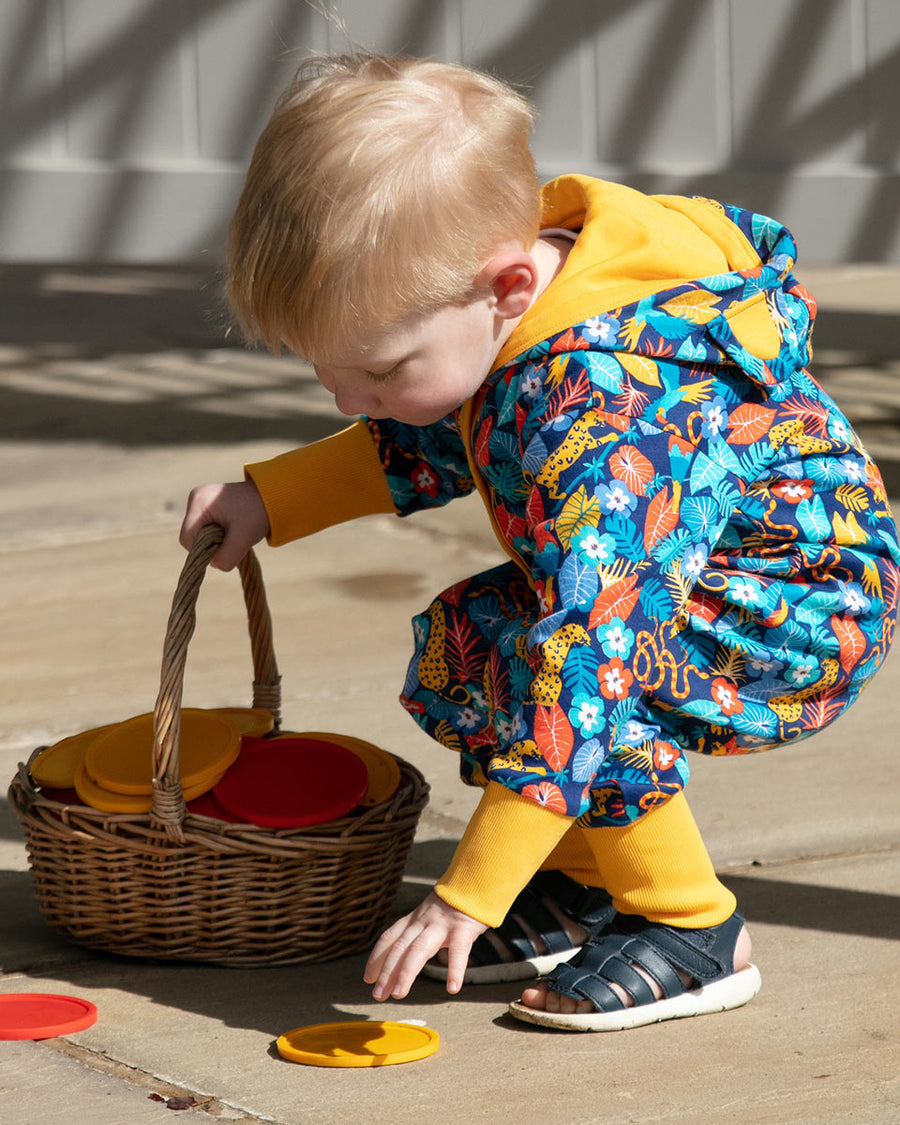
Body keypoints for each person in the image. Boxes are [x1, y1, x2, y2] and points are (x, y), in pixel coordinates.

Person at [180, 53, 900, 1032]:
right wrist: (275, 496)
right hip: (679, 584)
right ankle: (579, 886)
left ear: (508, 286)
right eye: (325, 373)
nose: (351, 399)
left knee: (571, 675)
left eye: (378, 371)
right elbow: (433, 436)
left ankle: (690, 928)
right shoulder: (510, 309)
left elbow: (595, 650)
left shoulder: (608, 415)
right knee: (480, 636)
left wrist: (466, 890)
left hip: (797, 610)